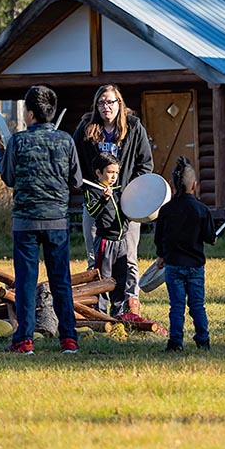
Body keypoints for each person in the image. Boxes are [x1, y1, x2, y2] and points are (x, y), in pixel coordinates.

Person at [0, 85, 82, 354]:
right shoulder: (66, 140)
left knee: (25, 282)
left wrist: (0, 151)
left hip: (25, 223)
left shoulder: (18, 141)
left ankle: (24, 340)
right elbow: (76, 180)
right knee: (61, 281)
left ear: (30, 113)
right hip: (57, 221)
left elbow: (8, 177)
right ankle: (68, 338)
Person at [72, 84, 153, 317]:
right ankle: (95, 302)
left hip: (126, 201)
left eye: (111, 102)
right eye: (102, 103)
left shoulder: (134, 128)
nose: (106, 107)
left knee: (128, 255)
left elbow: (145, 164)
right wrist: (85, 185)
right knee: (94, 253)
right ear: (96, 106)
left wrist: (132, 191)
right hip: (96, 198)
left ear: (120, 104)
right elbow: (74, 159)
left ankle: (130, 301)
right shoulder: (87, 128)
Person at [154, 156, 216, 352]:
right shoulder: (202, 210)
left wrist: (161, 255)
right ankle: (203, 340)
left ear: (172, 185)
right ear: (194, 185)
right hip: (196, 266)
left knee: (177, 306)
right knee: (197, 305)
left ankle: (175, 342)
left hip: (173, 265)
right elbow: (210, 237)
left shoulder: (166, 210)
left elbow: (159, 237)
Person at [84, 153, 129, 317]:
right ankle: (101, 314)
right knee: (104, 280)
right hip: (105, 243)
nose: (113, 177)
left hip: (122, 242)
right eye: (110, 172)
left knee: (121, 279)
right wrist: (104, 199)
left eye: (116, 173)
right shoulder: (93, 191)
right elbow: (92, 212)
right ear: (98, 173)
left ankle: (118, 313)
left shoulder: (120, 190)